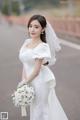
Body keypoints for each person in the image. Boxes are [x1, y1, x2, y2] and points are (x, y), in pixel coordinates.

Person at [18, 14, 69, 120]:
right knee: (35, 108)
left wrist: (25, 82)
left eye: (36, 27)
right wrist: (23, 80)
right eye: (30, 26)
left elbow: (36, 71)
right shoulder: (26, 43)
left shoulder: (42, 47)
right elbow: (25, 63)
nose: (32, 29)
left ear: (42, 29)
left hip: (40, 82)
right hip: (29, 80)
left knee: (41, 109)